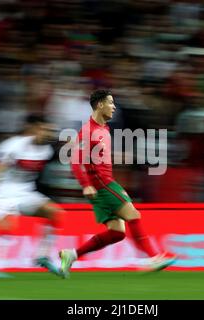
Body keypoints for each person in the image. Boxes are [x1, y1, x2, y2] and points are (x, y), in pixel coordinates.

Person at [59, 89, 177, 278]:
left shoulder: (103, 128)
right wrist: (85, 184)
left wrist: (120, 158)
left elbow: (99, 156)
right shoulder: (88, 130)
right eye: (111, 103)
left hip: (103, 184)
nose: (114, 107)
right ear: (100, 105)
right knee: (133, 214)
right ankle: (153, 257)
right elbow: (74, 159)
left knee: (117, 233)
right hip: (102, 184)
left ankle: (71, 255)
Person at [0, 114, 64, 277]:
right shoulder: (13, 146)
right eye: (45, 129)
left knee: (54, 213)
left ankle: (42, 256)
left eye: (51, 130)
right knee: (6, 226)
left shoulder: (46, 150)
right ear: (34, 129)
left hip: (24, 192)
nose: (49, 133)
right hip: (0, 190)